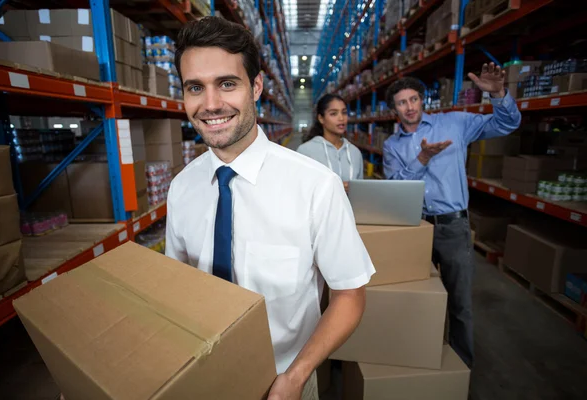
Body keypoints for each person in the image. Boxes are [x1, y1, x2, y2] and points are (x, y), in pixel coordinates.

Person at [165, 17, 375, 400]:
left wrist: (295, 377)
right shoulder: (181, 189)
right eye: (195, 87)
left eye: (227, 84)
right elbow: (175, 285)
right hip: (199, 377)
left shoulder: (315, 187)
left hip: (282, 382)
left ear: (256, 87)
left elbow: (349, 295)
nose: (210, 105)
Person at [382, 66, 521, 368]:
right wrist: (422, 158)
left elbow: (507, 124)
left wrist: (497, 93)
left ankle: (461, 369)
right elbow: (396, 189)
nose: (410, 107)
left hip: (453, 226)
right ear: (394, 109)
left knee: (460, 303)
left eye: (414, 99)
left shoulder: (455, 123)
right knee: (414, 296)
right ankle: (417, 355)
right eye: (402, 102)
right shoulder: (392, 146)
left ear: (423, 100)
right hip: (416, 227)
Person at [297, 94, 364, 192]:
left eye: (344, 113)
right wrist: (334, 188)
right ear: (321, 118)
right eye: (333, 114)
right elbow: (300, 189)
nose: (341, 118)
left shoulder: (355, 152)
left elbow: (361, 191)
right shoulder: (305, 151)